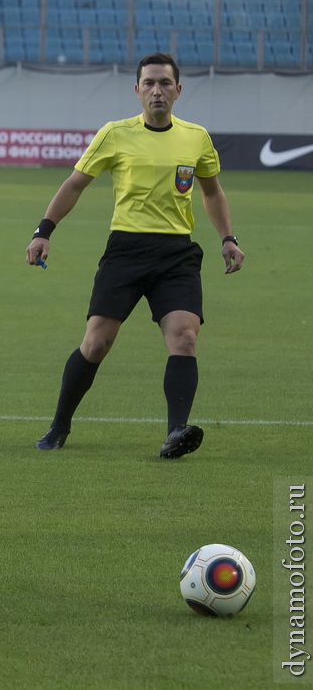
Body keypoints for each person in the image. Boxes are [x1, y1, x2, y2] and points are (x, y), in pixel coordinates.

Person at [25, 52, 245, 459]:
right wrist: (44, 230)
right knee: (96, 343)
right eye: (149, 83)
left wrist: (227, 238)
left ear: (179, 90)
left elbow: (212, 191)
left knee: (185, 337)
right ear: (137, 90)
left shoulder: (196, 137)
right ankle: (59, 426)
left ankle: (176, 432)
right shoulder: (115, 134)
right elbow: (75, 184)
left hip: (176, 253)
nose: (157, 90)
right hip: (125, 251)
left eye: (164, 83)